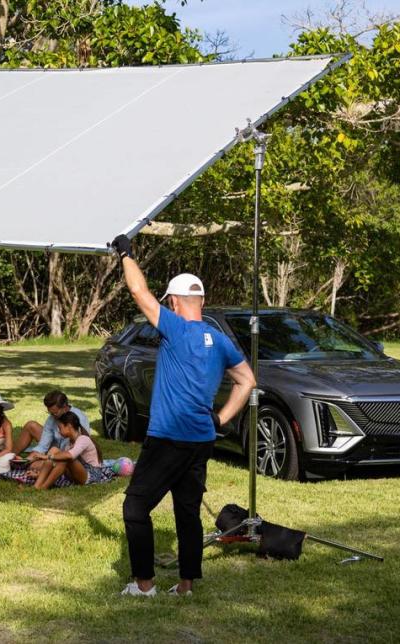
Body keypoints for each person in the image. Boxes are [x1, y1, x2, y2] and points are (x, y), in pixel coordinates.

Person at [111, 234, 256, 598]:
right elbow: (247, 381)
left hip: (169, 437)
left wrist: (126, 253)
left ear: (174, 303)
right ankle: (186, 585)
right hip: (201, 439)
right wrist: (221, 419)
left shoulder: (174, 327)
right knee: (187, 511)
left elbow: (138, 291)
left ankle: (144, 584)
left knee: (135, 506)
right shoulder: (219, 340)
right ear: (201, 301)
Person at [12, 390, 91, 464]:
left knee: (39, 465)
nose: (52, 416)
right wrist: (26, 460)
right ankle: (9, 456)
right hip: (54, 449)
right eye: (50, 413)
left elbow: (80, 448)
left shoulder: (78, 418)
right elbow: (43, 445)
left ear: (64, 407)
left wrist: (52, 456)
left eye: (55, 413)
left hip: (71, 453)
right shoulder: (52, 418)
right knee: (31, 425)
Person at [32, 411, 106, 489]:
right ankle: (37, 484)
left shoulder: (83, 439)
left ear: (69, 426)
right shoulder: (68, 443)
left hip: (91, 475)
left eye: (60, 428)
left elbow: (70, 456)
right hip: (77, 474)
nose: (59, 431)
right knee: (55, 450)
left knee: (65, 458)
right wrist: (39, 473)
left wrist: (47, 457)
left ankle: (44, 487)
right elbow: (58, 464)